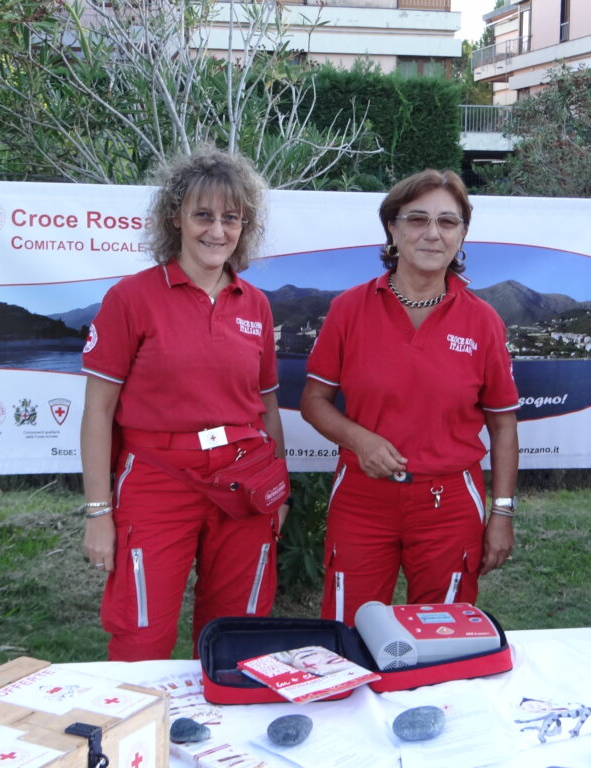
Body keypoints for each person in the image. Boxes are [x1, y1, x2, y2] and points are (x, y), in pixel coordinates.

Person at [79, 147, 289, 661]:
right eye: (203, 215)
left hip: (244, 478)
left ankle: (222, 713)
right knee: (141, 637)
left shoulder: (256, 304)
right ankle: (141, 717)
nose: (217, 230)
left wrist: (279, 490)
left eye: (231, 218)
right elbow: (98, 412)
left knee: (236, 636)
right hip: (158, 478)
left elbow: (266, 405)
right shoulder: (132, 298)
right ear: (175, 217)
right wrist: (98, 512)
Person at [300, 169, 520, 626]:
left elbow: (503, 425)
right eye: (417, 219)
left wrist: (502, 512)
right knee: (349, 630)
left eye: (447, 222)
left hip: (449, 503)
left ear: (462, 235)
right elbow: (314, 401)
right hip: (362, 497)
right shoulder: (348, 309)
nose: (432, 233)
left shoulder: (483, 322)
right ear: (393, 229)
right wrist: (360, 440)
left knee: (441, 634)